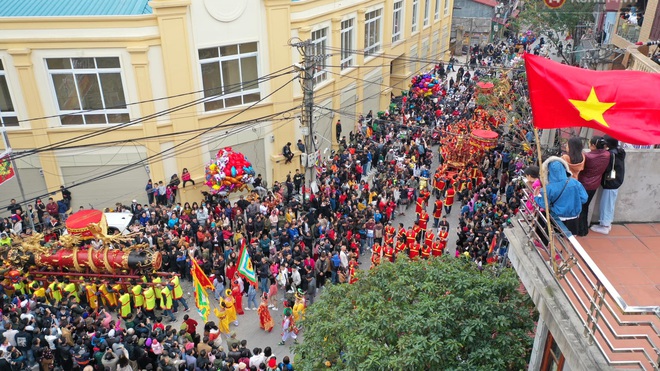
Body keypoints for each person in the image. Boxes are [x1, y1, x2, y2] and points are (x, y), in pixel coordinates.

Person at [534, 156, 588, 236]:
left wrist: (536, 197)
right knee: (571, 237)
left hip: (558, 216)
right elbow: (584, 199)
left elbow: (545, 204)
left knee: (557, 236)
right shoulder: (576, 183)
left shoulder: (548, 188)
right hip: (574, 215)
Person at [591, 135, 626, 235]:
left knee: (606, 204)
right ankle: (606, 223)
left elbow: (605, 167)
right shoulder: (619, 151)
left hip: (611, 182)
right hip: (616, 182)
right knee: (609, 204)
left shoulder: (610, 154)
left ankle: (605, 226)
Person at [576, 136, 610, 236]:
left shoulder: (587, 156)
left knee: (580, 207)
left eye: (590, 143)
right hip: (594, 184)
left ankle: (581, 230)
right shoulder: (607, 155)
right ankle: (583, 229)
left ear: (594, 145)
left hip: (584, 184)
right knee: (585, 206)